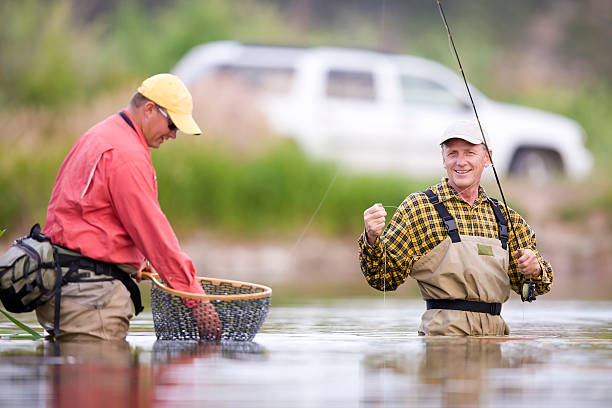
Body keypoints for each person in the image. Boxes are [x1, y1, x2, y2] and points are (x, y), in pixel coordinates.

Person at [37, 73, 221, 341]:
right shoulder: (127, 155)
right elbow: (155, 236)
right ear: (149, 110)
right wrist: (196, 301)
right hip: (91, 300)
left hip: (60, 290)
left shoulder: (97, 136)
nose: (173, 134)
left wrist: (132, 261)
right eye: (172, 124)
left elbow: (79, 218)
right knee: (107, 382)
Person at [359, 120, 553, 336]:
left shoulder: (507, 219)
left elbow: (536, 287)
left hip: (495, 341)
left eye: (469, 153)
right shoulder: (418, 208)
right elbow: (383, 279)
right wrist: (372, 238)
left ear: (487, 158)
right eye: (453, 153)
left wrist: (534, 268)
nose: (461, 162)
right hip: (441, 339)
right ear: (443, 159)